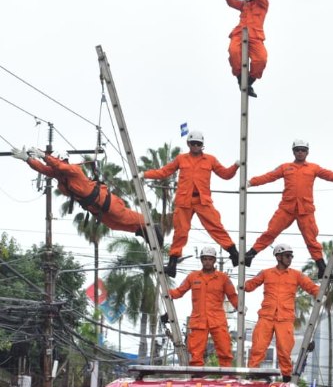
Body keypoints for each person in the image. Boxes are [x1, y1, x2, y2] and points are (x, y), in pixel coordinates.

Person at [245, 139, 333, 276]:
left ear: (307, 152)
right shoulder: (285, 167)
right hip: (287, 208)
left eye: (303, 150)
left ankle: (322, 268)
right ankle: (250, 255)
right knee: (271, 232)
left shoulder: (313, 168)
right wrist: (251, 182)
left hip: (305, 210)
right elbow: (269, 176)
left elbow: (330, 175)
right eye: (297, 150)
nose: (300, 152)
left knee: (311, 240)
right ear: (293, 152)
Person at [11, 146, 161, 245]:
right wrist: (27, 159)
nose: (52, 166)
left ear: (61, 160)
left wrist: (44, 156)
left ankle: (151, 225)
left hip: (105, 201)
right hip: (94, 207)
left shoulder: (73, 170)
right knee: (113, 224)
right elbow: (43, 169)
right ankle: (139, 230)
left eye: (54, 162)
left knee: (123, 216)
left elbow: (58, 165)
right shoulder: (59, 175)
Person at [143, 130, 239, 277]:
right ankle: (172, 265)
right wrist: (144, 174)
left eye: (198, 144)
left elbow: (225, 174)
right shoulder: (181, 159)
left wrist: (236, 166)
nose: (195, 146)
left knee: (215, 226)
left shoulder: (210, 160)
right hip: (184, 201)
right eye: (193, 143)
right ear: (188, 144)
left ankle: (234, 253)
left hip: (202, 200)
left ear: (202, 145)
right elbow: (164, 172)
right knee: (180, 232)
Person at [244, 243, 319, 380]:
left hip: (285, 318)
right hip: (266, 316)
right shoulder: (266, 273)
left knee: (285, 350)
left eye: (291, 256)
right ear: (278, 257)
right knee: (258, 347)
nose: (290, 258)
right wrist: (241, 284)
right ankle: (252, 373)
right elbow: (250, 285)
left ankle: (286, 376)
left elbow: (310, 286)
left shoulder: (296, 275)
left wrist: (320, 293)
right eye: (287, 256)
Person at [168, 246, 238, 367]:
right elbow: (179, 292)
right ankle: (197, 375)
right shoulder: (193, 277)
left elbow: (232, 295)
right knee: (195, 351)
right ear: (201, 260)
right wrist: (166, 291)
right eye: (205, 259)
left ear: (214, 260)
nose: (207, 261)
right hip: (198, 319)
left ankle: (227, 376)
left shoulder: (223, 278)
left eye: (210, 259)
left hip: (217, 319)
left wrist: (240, 307)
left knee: (225, 347)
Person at [217, 0, 268, 97]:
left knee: (261, 59)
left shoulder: (263, 2)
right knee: (234, 52)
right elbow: (232, 3)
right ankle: (240, 78)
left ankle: (249, 82)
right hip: (240, 33)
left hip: (256, 36)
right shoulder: (245, 4)